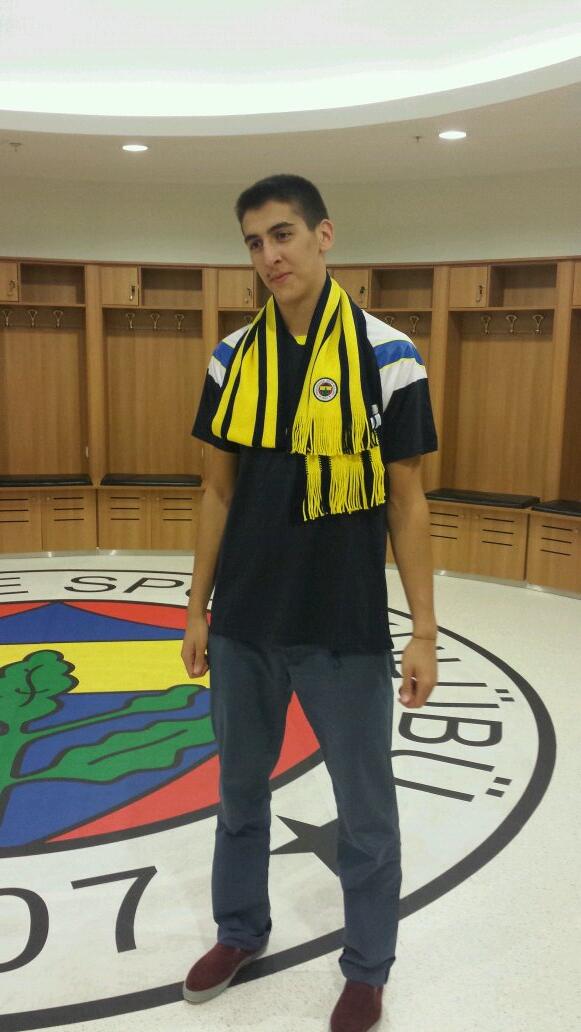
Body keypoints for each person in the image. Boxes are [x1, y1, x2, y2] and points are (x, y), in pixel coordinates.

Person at [181, 173, 439, 1032]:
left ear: (324, 235)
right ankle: (239, 930)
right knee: (238, 797)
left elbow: (406, 500)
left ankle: (366, 969)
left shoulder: (388, 356)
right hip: (244, 626)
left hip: (344, 629)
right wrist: (195, 608)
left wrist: (425, 632)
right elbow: (217, 491)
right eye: (254, 243)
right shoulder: (231, 358)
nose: (269, 256)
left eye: (282, 234)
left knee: (365, 814)